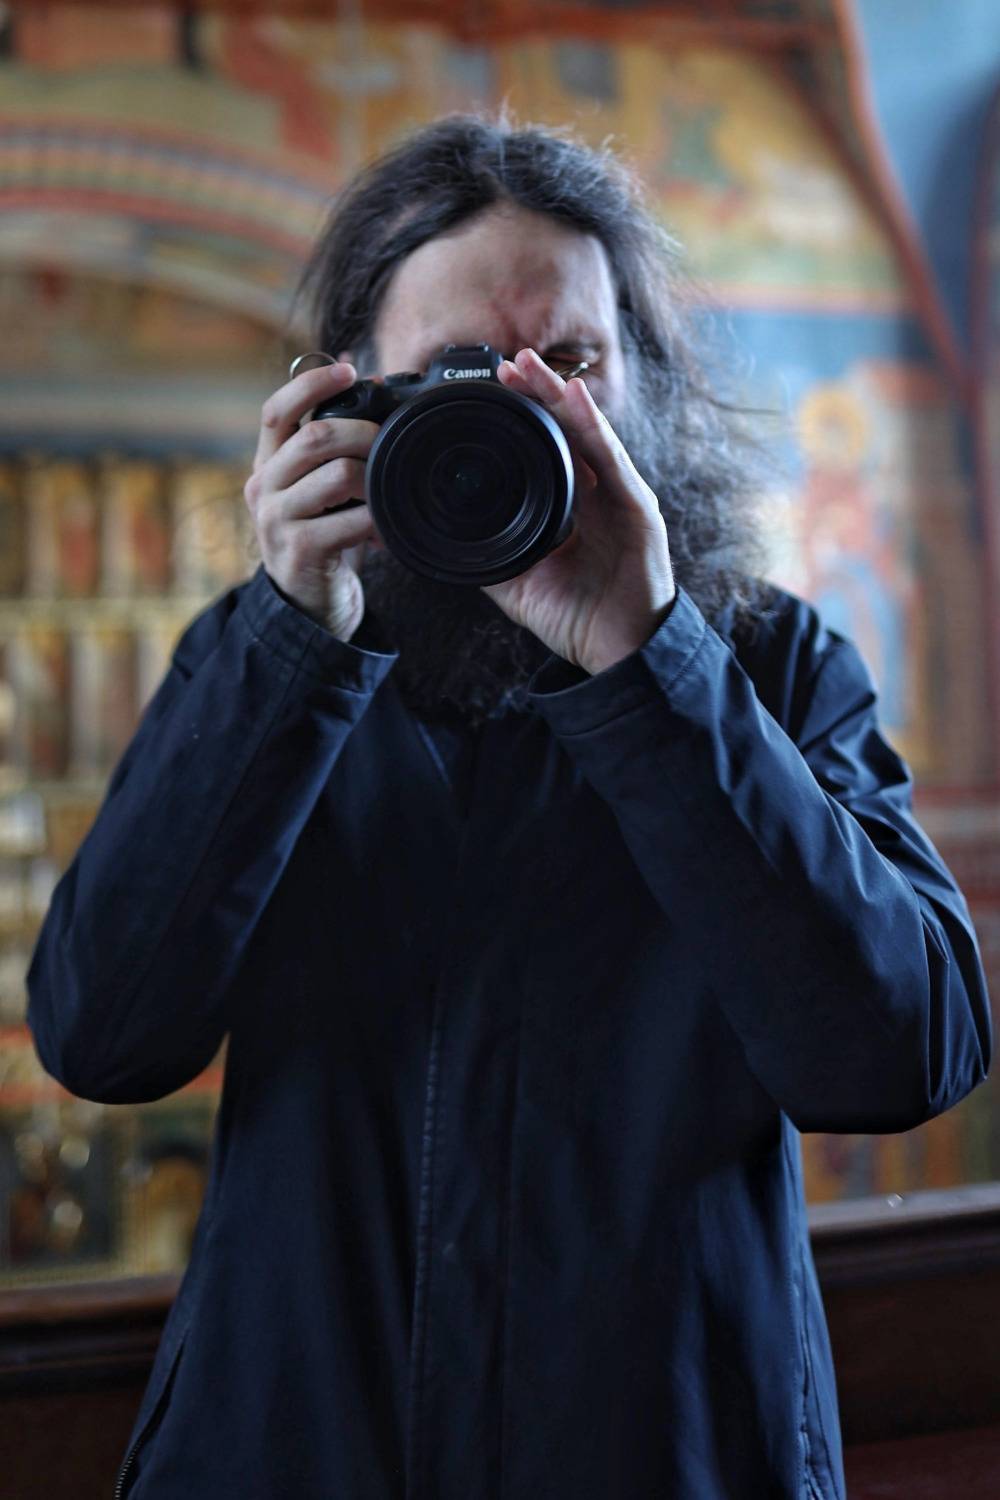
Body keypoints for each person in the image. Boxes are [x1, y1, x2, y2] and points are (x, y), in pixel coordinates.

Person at [27, 114, 991, 1500]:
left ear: (645, 392)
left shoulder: (772, 668)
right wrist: (292, 648)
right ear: (348, 403)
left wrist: (648, 664)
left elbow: (901, 1058)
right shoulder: (260, 663)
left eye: (572, 365)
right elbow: (102, 1035)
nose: (517, 413)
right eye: (453, 374)